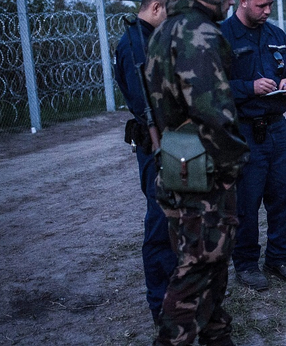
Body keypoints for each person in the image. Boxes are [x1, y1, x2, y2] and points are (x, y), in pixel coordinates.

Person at [145, 0, 253, 346]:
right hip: (205, 170)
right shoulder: (199, 33)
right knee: (198, 265)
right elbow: (214, 113)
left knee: (211, 260)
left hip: (178, 161)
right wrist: (235, 162)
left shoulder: (164, 30)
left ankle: (220, 345)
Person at [221, 0, 286, 291]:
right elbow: (207, 88)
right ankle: (245, 264)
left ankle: (280, 258)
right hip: (242, 131)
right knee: (245, 201)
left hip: (276, 128)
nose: (267, 10)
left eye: (270, 4)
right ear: (242, 1)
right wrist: (249, 87)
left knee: (285, 197)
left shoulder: (276, 36)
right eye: (261, 4)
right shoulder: (221, 36)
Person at [113, 0, 175, 326]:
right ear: (155, 6)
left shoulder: (151, 38)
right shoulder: (134, 44)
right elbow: (146, 106)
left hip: (173, 145)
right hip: (157, 149)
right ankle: (161, 310)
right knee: (160, 228)